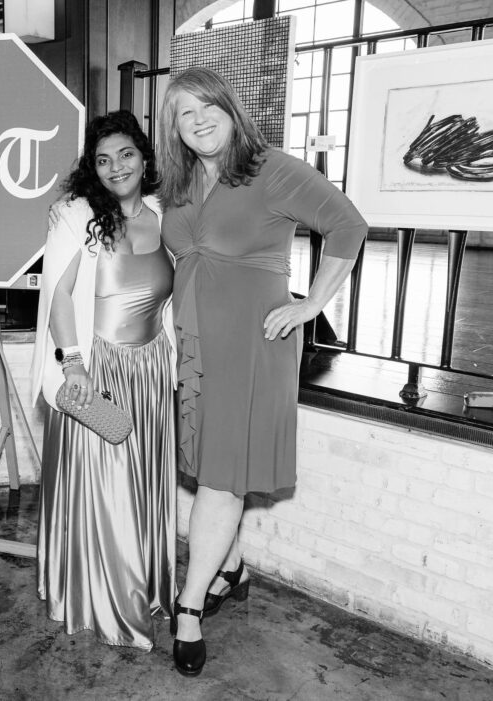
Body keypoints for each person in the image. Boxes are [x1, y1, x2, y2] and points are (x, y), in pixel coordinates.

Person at [157, 67, 367, 675]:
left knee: (220, 478)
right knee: (216, 468)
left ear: (229, 108)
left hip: (255, 344)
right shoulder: (180, 180)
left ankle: (189, 606)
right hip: (197, 345)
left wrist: (311, 305)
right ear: (173, 127)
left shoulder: (271, 167)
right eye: (183, 113)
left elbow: (348, 224)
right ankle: (232, 569)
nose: (198, 121)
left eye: (207, 107)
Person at [31, 110, 176, 650]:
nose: (116, 167)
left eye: (126, 154)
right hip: (96, 369)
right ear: (92, 167)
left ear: (145, 157)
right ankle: (106, 599)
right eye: (103, 159)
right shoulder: (75, 215)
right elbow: (58, 296)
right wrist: (74, 365)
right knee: (105, 490)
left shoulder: (167, 213)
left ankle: (148, 584)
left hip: (153, 369)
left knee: (142, 485)